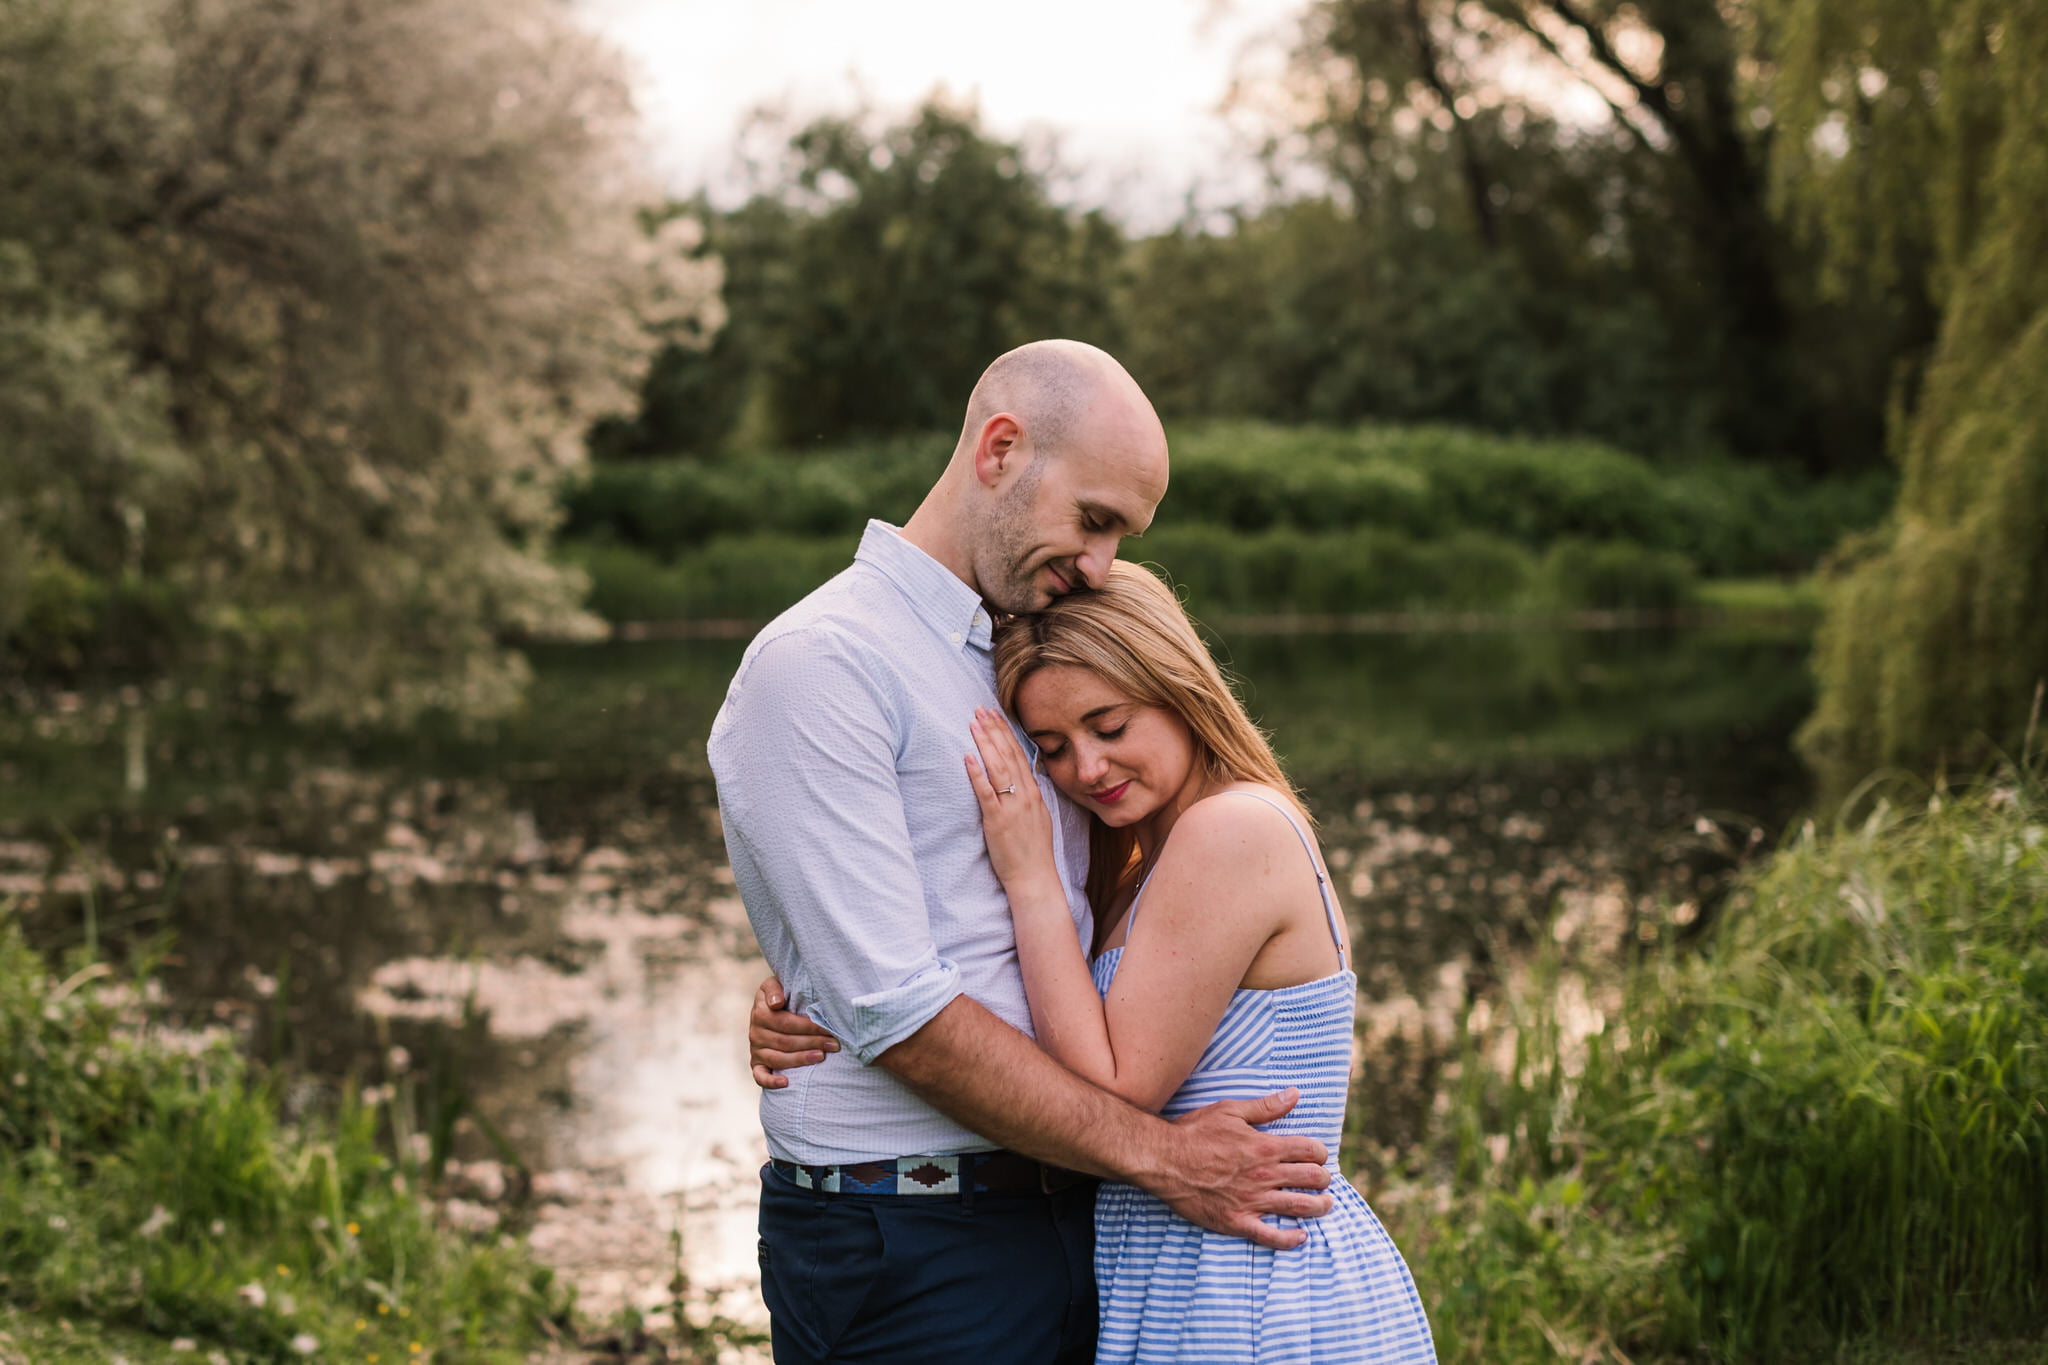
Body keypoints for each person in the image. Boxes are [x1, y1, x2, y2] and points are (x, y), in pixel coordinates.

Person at [708, 340, 1335, 1365]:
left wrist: (809, 974)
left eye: (1121, 537)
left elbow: (1069, 907)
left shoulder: (1023, 652)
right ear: (999, 449)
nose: (1102, 565)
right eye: (1093, 521)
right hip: (912, 1239)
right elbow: (894, 1009)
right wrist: (1163, 1160)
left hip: (1073, 1221)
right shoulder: (821, 664)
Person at [760, 561, 1439, 1363]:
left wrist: (1032, 877)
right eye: (1051, 747)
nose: (1085, 768)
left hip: (1246, 1281)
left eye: (1109, 726)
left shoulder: (1231, 830)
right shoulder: (1142, 864)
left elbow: (1112, 1088)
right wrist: (827, 989)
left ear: (1180, 688)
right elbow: (1045, 1002)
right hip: (1175, 1270)